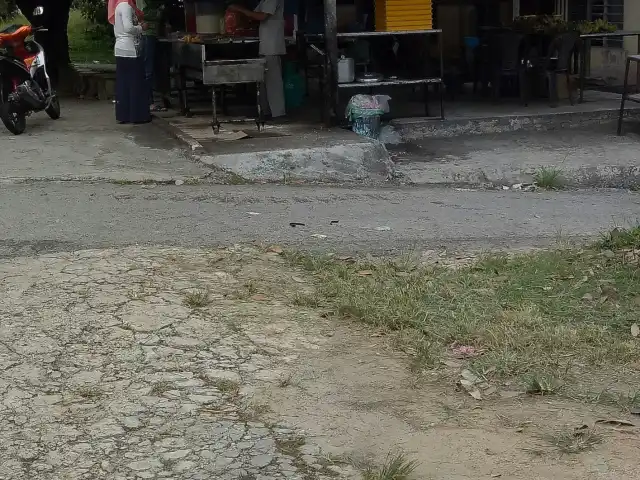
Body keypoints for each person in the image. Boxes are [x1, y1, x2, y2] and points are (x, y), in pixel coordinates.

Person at [228, 0, 286, 118]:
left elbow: (261, 16)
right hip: (265, 45)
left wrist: (239, 9)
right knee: (264, 82)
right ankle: (266, 112)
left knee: (273, 82)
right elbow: (253, 15)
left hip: (272, 45)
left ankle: (278, 114)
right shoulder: (264, 1)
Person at [108, 0, 151, 124]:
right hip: (130, 48)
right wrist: (141, 28)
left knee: (124, 84)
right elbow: (128, 28)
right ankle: (137, 115)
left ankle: (124, 114)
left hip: (121, 48)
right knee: (135, 83)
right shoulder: (125, 6)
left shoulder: (119, 6)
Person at [137, 0, 166, 111]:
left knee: (153, 68)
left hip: (152, 34)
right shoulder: (146, 5)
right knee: (148, 69)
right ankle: (148, 101)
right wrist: (159, 11)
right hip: (147, 35)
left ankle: (153, 99)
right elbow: (142, 14)